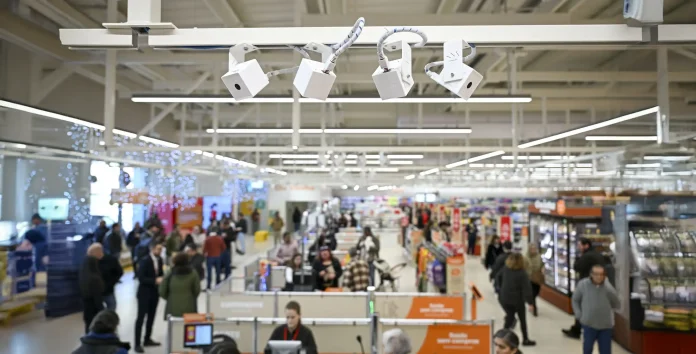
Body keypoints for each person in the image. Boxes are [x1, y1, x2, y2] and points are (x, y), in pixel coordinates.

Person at [563, 237, 606, 339]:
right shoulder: (596, 254)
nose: (579, 247)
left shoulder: (587, 256)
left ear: (586, 245)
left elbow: (577, 267)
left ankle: (577, 330)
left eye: (580, 245)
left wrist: (578, 259)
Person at [572, 265, 620, 354]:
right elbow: (575, 300)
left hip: (605, 326)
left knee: (605, 351)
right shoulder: (583, 284)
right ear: (591, 274)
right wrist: (578, 314)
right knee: (587, 349)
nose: (599, 277)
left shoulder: (608, 287)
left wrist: (608, 287)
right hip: (588, 324)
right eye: (596, 274)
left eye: (602, 274)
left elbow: (617, 304)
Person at [496, 253, 536, 347]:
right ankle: (525, 339)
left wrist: (501, 288)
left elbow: (498, 277)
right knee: (522, 319)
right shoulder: (522, 273)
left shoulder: (505, 269)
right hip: (517, 300)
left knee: (509, 317)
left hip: (504, 298)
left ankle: (502, 337)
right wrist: (530, 303)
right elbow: (527, 289)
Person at [134, 242, 164, 353]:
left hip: (154, 293)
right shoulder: (145, 260)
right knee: (141, 318)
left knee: (151, 316)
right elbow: (141, 278)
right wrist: (155, 280)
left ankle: (147, 339)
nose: (159, 251)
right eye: (158, 249)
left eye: (161, 249)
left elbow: (160, 273)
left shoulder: (160, 260)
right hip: (144, 293)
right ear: (152, 249)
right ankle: (137, 343)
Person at [160, 253, 201, 319]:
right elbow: (197, 290)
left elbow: (162, 291)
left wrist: (170, 298)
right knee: (188, 328)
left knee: (173, 327)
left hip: (172, 306)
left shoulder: (170, 273)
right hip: (189, 306)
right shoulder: (193, 273)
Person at [80, 244, 105, 334]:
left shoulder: (84, 272)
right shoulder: (95, 279)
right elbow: (97, 299)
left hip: (87, 307)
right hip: (95, 310)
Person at [525, 244, 544, 317]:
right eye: (532, 249)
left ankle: (531, 303)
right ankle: (534, 309)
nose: (533, 250)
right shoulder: (526, 257)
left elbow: (542, 264)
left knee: (536, 292)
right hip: (529, 277)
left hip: (537, 277)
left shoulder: (539, 257)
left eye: (534, 249)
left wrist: (543, 269)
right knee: (532, 294)